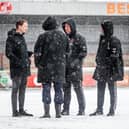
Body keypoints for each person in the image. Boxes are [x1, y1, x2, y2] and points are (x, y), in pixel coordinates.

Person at [34, 16, 68, 118]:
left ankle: (47, 112)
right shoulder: (63, 36)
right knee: (58, 89)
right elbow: (67, 51)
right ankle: (58, 113)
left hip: (45, 67)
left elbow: (37, 52)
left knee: (46, 88)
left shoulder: (42, 37)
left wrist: (38, 64)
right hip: (59, 67)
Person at [89, 20, 124, 116]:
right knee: (100, 90)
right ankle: (99, 109)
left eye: (102, 28)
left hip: (110, 70)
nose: (101, 30)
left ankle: (112, 110)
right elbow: (99, 53)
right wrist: (98, 61)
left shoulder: (114, 40)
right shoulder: (103, 40)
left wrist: (105, 63)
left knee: (112, 90)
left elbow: (114, 56)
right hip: (101, 69)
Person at [5, 19, 33, 117]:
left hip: (24, 68)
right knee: (15, 89)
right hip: (16, 69)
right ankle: (15, 111)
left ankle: (21, 109)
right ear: (19, 26)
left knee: (23, 89)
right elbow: (9, 53)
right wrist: (19, 62)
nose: (27, 28)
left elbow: (20, 51)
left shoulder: (22, 38)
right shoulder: (11, 38)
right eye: (25, 26)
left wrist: (27, 55)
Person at [61, 18, 87, 115]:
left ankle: (81, 109)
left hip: (75, 69)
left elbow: (83, 52)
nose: (66, 28)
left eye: (68, 26)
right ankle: (65, 109)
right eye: (65, 27)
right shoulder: (64, 38)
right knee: (66, 90)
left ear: (72, 26)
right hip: (65, 69)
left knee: (78, 89)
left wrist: (75, 62)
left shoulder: (80, 38)